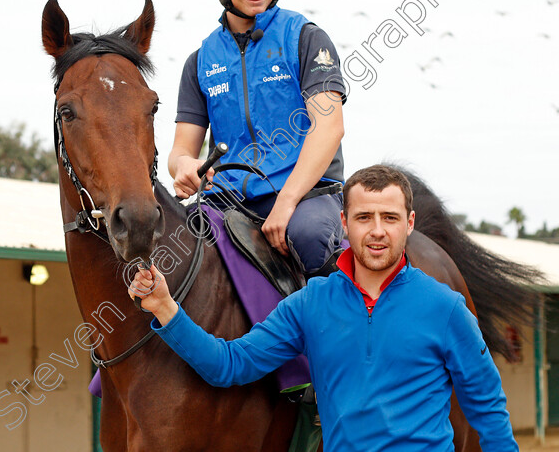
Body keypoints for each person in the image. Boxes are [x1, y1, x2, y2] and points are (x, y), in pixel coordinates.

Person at [130, 165, 518, 451]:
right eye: (364, 217)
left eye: (390, 218)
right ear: (344, 224)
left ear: (410, 223)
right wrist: (167, 309)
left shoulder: (447, 309)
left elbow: (488, 408)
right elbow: (229, 364)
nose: (378, 231)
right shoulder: (310, 305)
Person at [168, 0, 347, 274]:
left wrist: (288, 201)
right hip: (226, 197)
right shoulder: (200, 61)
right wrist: (186, 166)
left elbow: (329, 126)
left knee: (310, 236)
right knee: (171, 248)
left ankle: (340, 328)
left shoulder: (306, 38)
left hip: (306, 194)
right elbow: (180, 151)